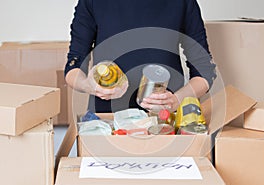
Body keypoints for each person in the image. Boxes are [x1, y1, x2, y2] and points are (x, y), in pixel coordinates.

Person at [65, 0, 216, 113]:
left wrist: (176, 100)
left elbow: (204, 72)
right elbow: (73, 67)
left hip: (163, 121)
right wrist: (88, 85)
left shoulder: (182, 3)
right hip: (107, 122)